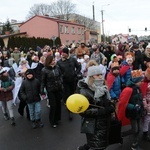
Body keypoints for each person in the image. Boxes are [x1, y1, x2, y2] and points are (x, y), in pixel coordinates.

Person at [77, 66, 115, 150]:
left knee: (101, 145)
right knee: (97, 146)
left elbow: (107, 101)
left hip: (105, 123)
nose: (101, 77)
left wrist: (111, 105)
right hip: (93, 125)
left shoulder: (103, 87)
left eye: (101, 74)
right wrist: (103, 111)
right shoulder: (84, 91)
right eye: (98, 75)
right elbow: (82, 111)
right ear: (91, 76)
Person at [117, 69, 144, 150]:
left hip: (138, 112)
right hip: (132, 113)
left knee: (138, 129)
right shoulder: (128, 90)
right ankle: (120, 135)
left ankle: (135, 144)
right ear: (136, 81)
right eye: (140, 81)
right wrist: (133, 107)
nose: (142, 82)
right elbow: (123, 103)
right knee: (134, 129)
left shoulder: (138, 88)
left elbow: (139, 99)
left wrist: (141, 107)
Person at [57, 47, 81, 120]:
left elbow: (78, 67)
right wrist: (62, 76)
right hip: (65, 81)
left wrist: (75, 73)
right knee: (67, 95)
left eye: (64, 52)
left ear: (67, 53)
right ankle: (70, 110)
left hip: (72, 80)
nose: (62, 54)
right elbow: (58, 72)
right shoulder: (59, 62)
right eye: (62, 52)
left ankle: (72, 105)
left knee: (72, 94)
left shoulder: (73, 59)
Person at [41, 55, 63, 128]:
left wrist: (61, 84)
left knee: (58, 104)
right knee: (53, 105)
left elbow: (60, 76)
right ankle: (52, 121)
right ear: (49, 61)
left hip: (58, 89)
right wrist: (42, 91)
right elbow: (43, 81)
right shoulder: (44, 70)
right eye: (53, 60)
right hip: (50, 90)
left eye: (54, 60)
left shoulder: (57, 68)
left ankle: (57, 118)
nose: (54, 61)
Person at [140, 68, 150, 141]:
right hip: (146, 103)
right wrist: (145, 105)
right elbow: (143, 95)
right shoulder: (144, 83)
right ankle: (145, 133)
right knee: (146, 119)